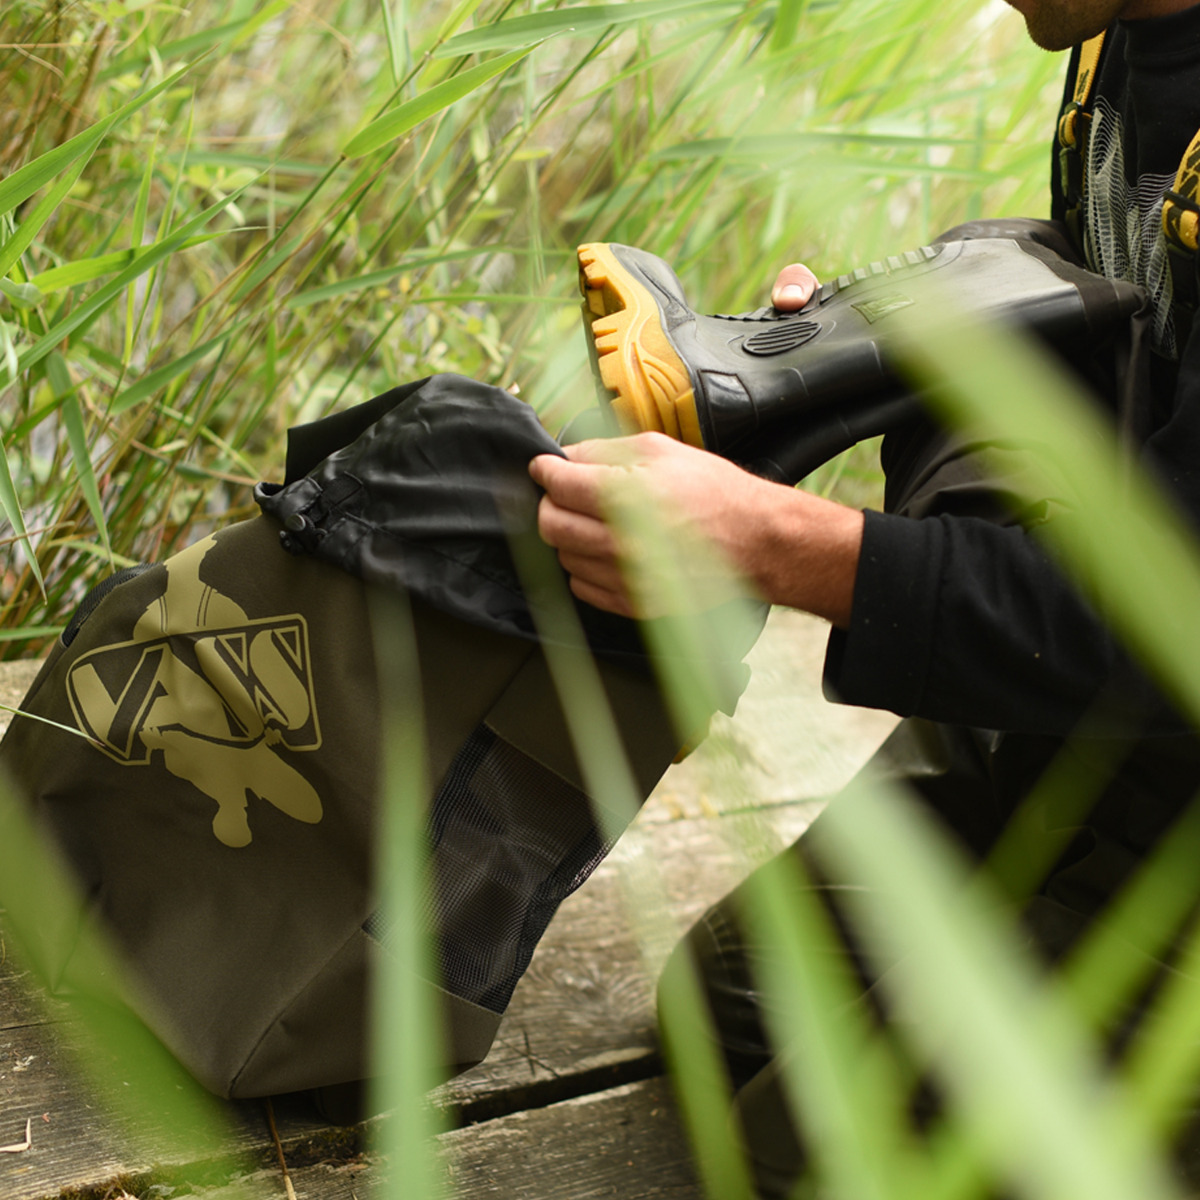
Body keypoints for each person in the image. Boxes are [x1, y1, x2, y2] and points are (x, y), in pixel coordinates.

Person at [528, 0, 1200, 1193]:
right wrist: (854, 364)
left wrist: (778, 545)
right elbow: (1134, 341)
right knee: (728, 1011)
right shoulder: (1119, 47)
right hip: (1110, 736)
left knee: (826, 1152)